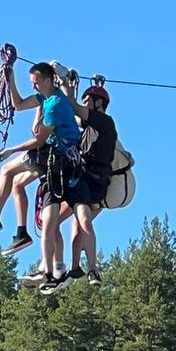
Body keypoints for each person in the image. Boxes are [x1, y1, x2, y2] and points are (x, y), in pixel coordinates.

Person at [0, 57, 80, 255]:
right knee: (17, 184)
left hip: (57, 156)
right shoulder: (44, 98)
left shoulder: (54, 104)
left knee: (6, 170)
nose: (34, 86)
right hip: (53, 153)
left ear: (48, 81)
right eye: (32, 83)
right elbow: (19, 104)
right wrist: (10, 74)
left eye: (36, 83)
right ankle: (21, 233)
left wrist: (10, 151)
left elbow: (38, 141)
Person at [40, 83, 116, 294]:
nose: (85, 105)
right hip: (81, 182)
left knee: (82, 224)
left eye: (88, 101)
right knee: (54, 223)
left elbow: (72, 106)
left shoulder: (105, 122)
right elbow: (68, 114)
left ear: (98, 103)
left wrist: (66, 87)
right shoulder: (85, 131)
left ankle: (90, 269)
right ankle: (64, 269)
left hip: (96, 186)